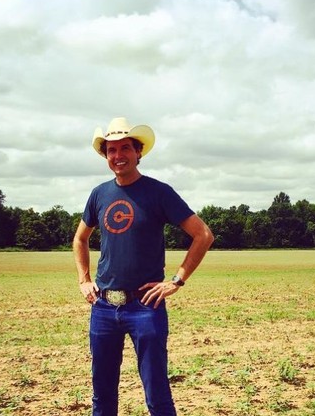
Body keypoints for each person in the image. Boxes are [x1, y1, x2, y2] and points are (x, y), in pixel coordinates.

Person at [73, 117, 214, 416]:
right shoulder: (99, 194)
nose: (118, 155)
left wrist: (176, 280)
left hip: (145, 307)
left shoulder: (158, 192)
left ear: (138, 152)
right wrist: (84, 279)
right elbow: (80, 239)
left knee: (157, 395)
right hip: (104, 307)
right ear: (105, 155)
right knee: (102, 395)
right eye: (111, 150)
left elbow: (203, 235)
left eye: (125, 148)